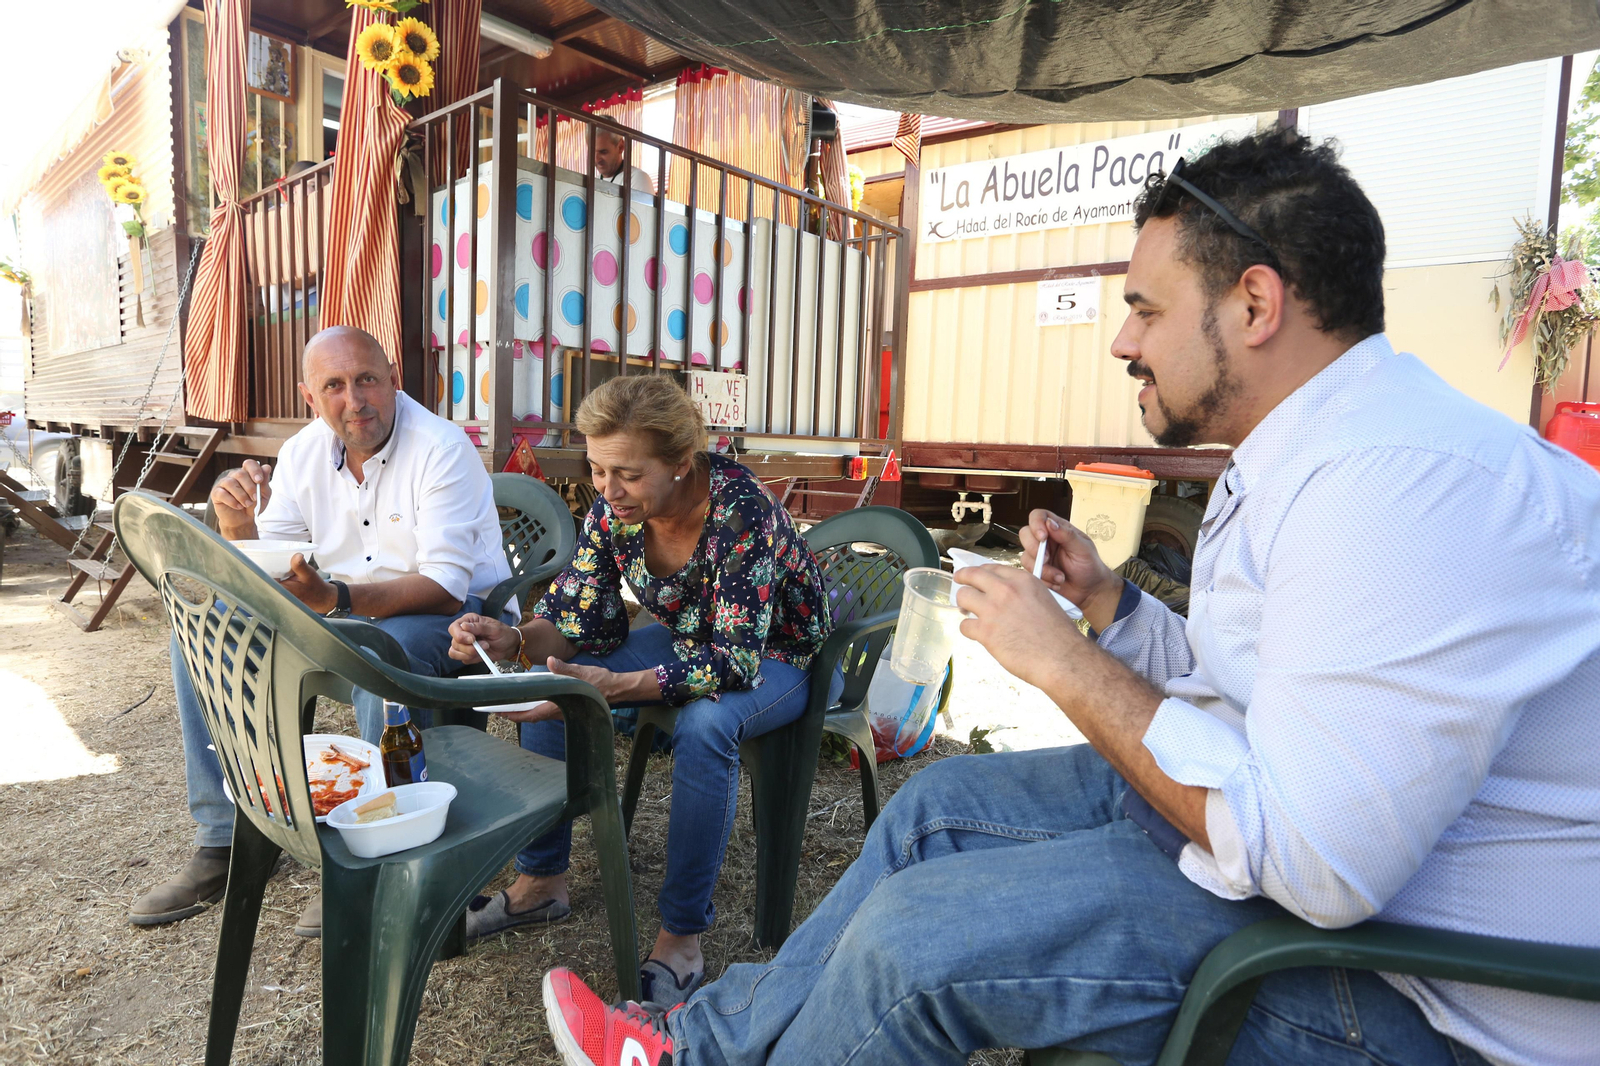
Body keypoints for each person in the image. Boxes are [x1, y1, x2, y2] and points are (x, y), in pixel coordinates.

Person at [538, 128, 1600, 1066]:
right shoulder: (1306, 456)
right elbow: (1250, 688)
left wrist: (1064, 661)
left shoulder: (1407, 490)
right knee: (931, 810)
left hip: (1419, 995)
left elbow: (1316, 863)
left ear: (1256, 303)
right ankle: (699, 1048)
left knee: (922, 944)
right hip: (1312, 881)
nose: (1122, 340)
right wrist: (1113, 611)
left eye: (1144, 307)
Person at [447, 373, 840, 1006]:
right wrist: (514, 640)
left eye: (626, 473)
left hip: (781, 654)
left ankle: (682, 936)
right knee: (556, 682)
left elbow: (736, 661)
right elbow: (579, 620)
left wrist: (620, 685)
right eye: (597, 469)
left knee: (707, 725)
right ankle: (542, 881)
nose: (606, 489)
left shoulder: (741, 509)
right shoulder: (614, 509)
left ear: (682, 464)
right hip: (692, 639)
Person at [128, 325, 513, 937]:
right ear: (311, 397)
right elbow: (274, 570)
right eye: (333, 385)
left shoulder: (443, 447)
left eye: (367, 379)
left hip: (456, 615)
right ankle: (226, 837)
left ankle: (375, 848)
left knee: (372, 650)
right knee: (201, 632)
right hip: (345, 609)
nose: (354, 400)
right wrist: (237, 527)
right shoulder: (303, 452)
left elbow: (442, 585)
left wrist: (335, 600)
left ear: (395, 381)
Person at [594, 126, 654, 195]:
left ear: (620, 147)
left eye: (603, 152)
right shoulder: (595, 181)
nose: (596, 159)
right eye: (592, 152)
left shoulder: (637, 179)